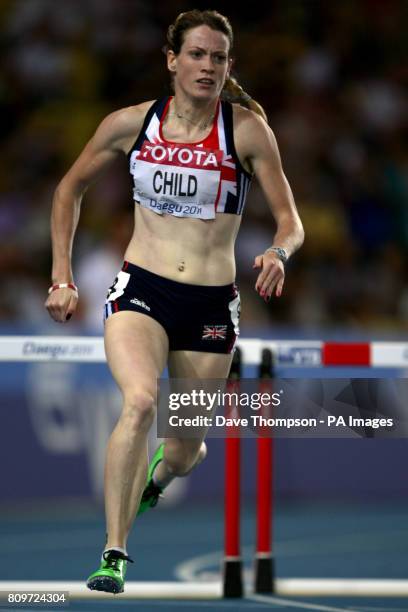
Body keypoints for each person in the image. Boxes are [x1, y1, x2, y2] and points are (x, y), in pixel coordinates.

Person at [45, 9, 304, 594]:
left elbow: (292, 222)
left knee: (186, 449)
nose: (207, 66)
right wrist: (62, 275)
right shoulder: (130, 124)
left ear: (228, 66)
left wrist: (279, 254)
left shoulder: (247, 132)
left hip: (210, 306)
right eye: (196, 54)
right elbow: (68, 189)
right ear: (172, 60)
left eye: (217, 57)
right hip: (142, 288)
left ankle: (161, 474)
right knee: (139, 403)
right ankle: (114, 552)